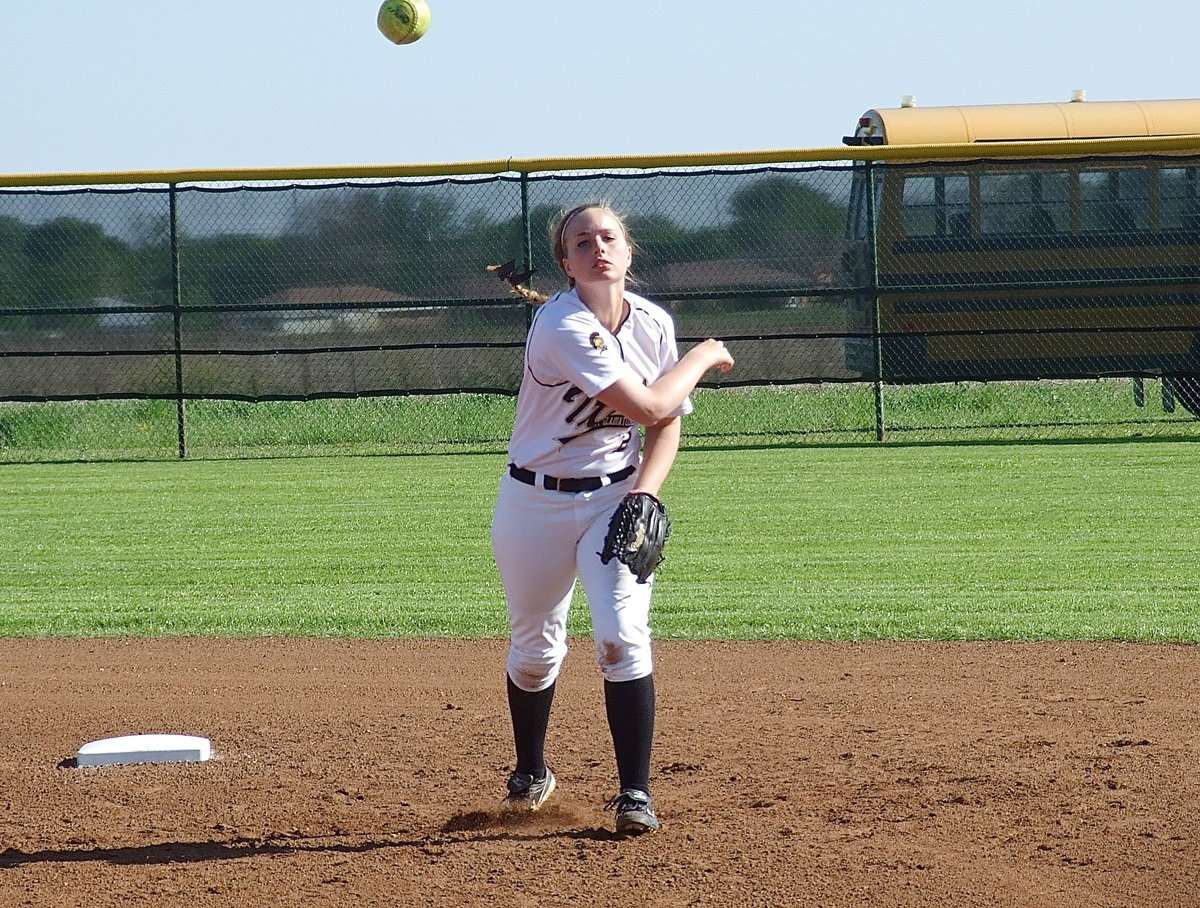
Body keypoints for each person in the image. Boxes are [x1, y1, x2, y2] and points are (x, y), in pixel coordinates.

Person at [490, 201, 734, 835]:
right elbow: (653, 400)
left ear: (628, 252)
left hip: (612, 496)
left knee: (621, 636)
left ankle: (634, 793)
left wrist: (645, 493)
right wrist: (705, 355)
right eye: (581, 241)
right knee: (535, 651)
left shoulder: (653, 323)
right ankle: (532, 769)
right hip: (532, 502)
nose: (597, 247)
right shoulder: (561, 325)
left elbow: (666, 427)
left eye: (608, 237)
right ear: (565, 264)